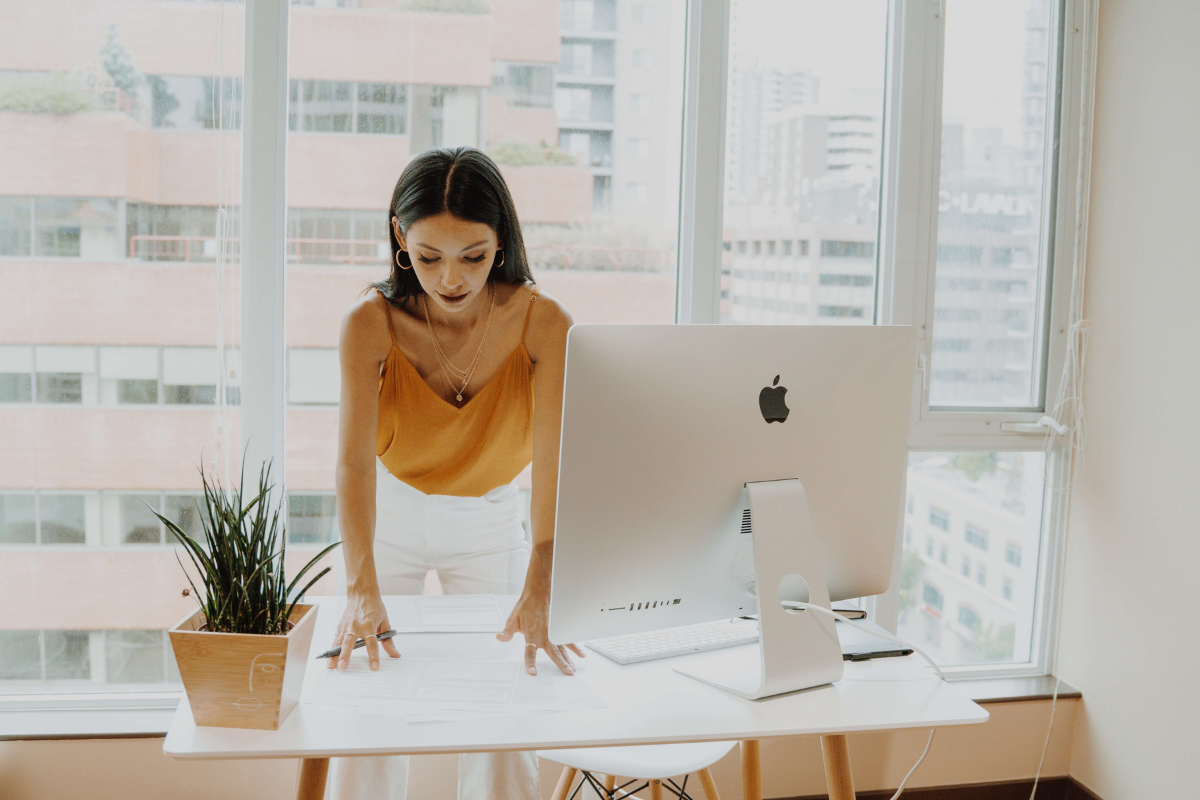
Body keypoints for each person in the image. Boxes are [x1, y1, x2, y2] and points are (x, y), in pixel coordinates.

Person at [326, 147, 583, 799]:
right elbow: (353, 465)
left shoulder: (544, 322)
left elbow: (555, 461)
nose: (450, 279)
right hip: (390, 515)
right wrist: (360, 585)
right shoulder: (369, 323)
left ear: (502, 243)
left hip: (493, 518)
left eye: (473, 255)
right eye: (429, 255)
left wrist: (544, 572)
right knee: (368, 706)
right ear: (399, 238)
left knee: (504, 704)